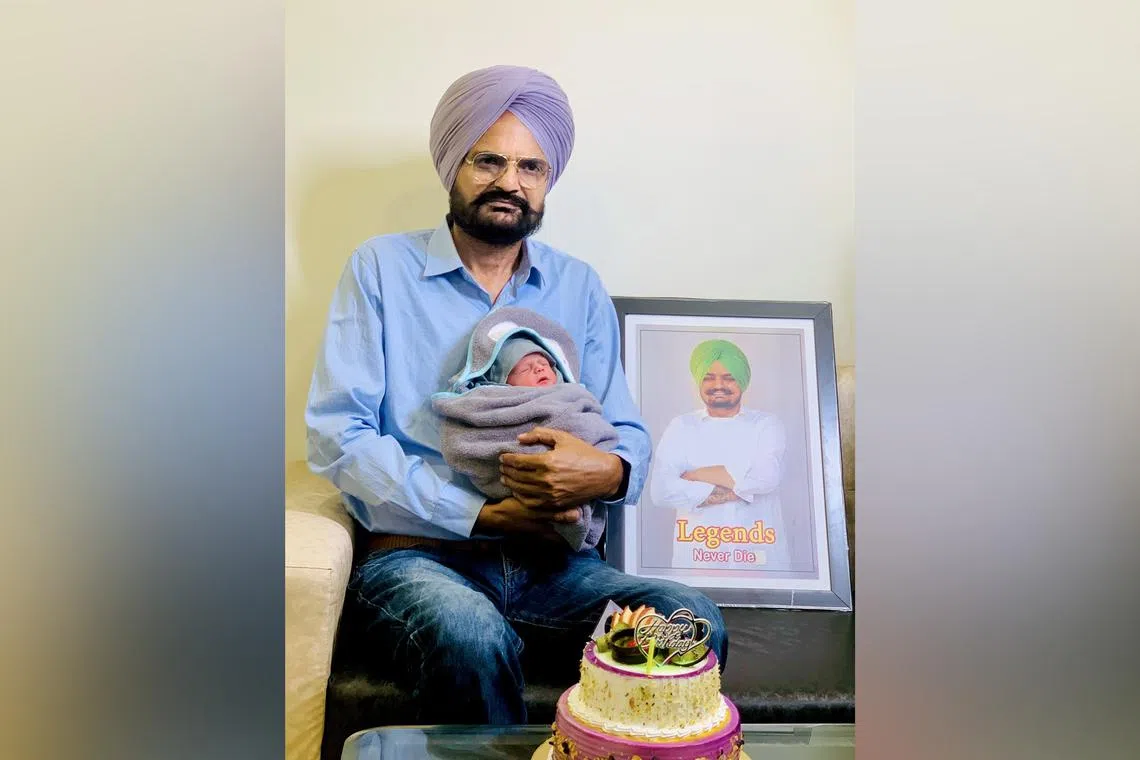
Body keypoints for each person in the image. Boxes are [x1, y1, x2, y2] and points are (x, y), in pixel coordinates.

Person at [305, 64, 726, 725]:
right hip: (421, 559)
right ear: (453, 165)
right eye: (489, 161)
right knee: (470, 634)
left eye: (531, 167)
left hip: (557, 572)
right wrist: (477, 513)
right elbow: (338, 435)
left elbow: (625, 430)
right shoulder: (380, 268)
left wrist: (609, 472)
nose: (511, 182)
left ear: (548, 179)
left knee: (688, 620)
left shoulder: (577, 285)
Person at [430, 306, 620, 552]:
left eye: (545, 364)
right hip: (463, 540)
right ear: (502, 383)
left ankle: (568, 517)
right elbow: (461, 444)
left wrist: (603, 468)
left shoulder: (571, 396)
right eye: (525, 368)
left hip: (564, 549)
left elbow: (599, 432)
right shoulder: (489, 403)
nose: (539, 368)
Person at [649, 339, 789, 570]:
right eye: (709, 377)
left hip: (760, 560)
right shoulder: (682, 426)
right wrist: (742, 487)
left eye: (729, 377)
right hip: (697, 562)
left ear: (742, 381)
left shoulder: (765, 424)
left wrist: (696, 475)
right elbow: (661, 491)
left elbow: (767, 477)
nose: (718, 385)